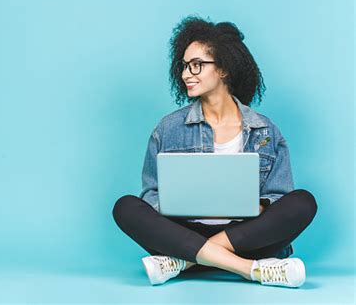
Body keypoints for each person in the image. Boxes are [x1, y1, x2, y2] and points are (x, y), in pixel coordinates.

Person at [112, 15, 318, 288]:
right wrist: (174, 207)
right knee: (125, 207)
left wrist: (258, 206)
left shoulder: (265, 130)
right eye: (184, 66)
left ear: (223, 69)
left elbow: (279, 197)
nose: (186, 74)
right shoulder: (168, 128)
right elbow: (151, 195)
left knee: (303, 201)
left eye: (196, 65)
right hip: (184, 231)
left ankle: (183, 261)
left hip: (243, 235)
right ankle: (250, 269)